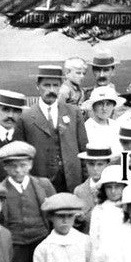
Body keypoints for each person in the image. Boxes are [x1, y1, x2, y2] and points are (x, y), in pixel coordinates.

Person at [22, 65, 87, 193]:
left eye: (55, 85)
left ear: (61, 86)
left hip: (72, 182)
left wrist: (85, 183)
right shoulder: (26, 117)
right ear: (37, 85)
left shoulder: (74, 113)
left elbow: (84, 150)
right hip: (40, 183)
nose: (51, 90)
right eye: (46, 85)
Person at [33, 192, 96, 262]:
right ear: (51, 217)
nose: (65, 221)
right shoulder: (44, 248)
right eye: (60, 216)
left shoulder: (84, 241)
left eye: (70, 216)